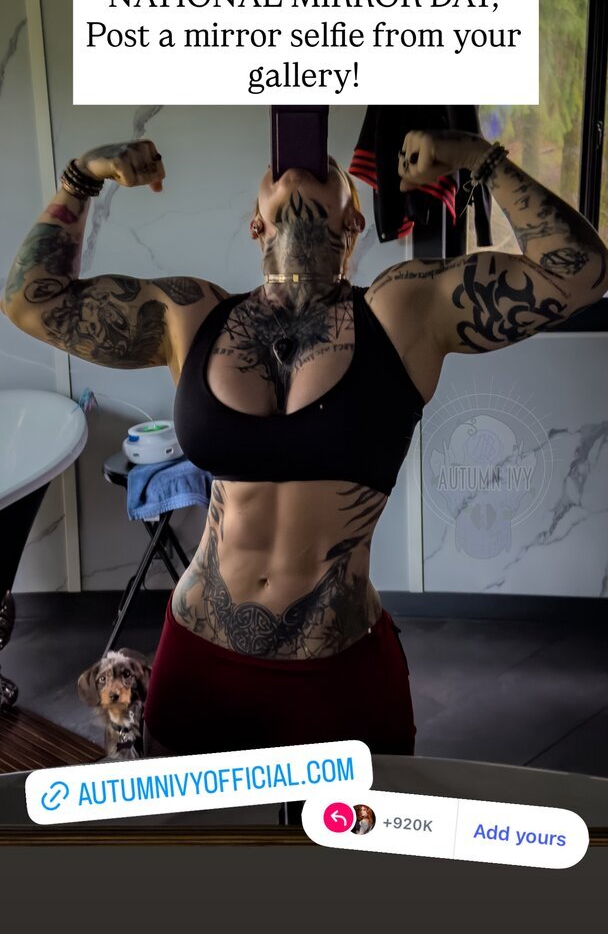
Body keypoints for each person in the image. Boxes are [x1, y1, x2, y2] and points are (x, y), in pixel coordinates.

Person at [2, 129, 606, 760]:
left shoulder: (403, 310)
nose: (297, 163)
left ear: (354, 220)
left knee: (358, 826)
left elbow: (580, 272)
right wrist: (82, 178)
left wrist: (475, 157)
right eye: (279, 166)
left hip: (338, 672)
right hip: (202, 660)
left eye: (326, 167)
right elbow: (30, 300)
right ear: (256, 224)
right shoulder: (191, 315)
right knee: (200, 828)